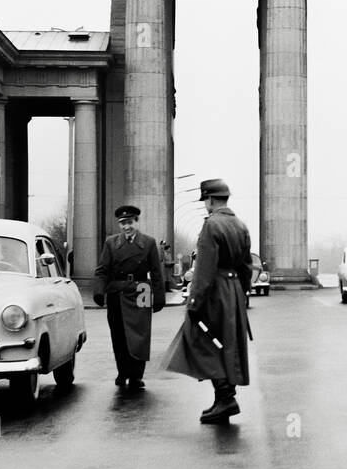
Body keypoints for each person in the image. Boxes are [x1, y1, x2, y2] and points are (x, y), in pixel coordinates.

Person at [160, 178, 252, 424]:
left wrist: (194, 303)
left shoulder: (211, 226)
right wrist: (241, 295)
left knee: (203, 340)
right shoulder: (240, 225)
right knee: (227, 344)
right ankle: (224, 397)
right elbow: (246, 267)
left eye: (205, 202)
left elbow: (204, 270)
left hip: (215, 292)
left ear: (210, 200)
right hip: (233, 292)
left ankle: (224, 398)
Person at [93, 204, 166, 391]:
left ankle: (136, 375)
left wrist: (159, 297)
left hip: (142, 289)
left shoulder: (149, 243)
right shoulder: (111, 243)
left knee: (140, 335)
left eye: (130, 222)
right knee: (118, 334)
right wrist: (99, 291)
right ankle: (122, 372)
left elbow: (157, 273)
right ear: (119, 225)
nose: (127, 227)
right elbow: (102, 270)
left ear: (137, 222)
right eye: (123, 223)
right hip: (117, 291)